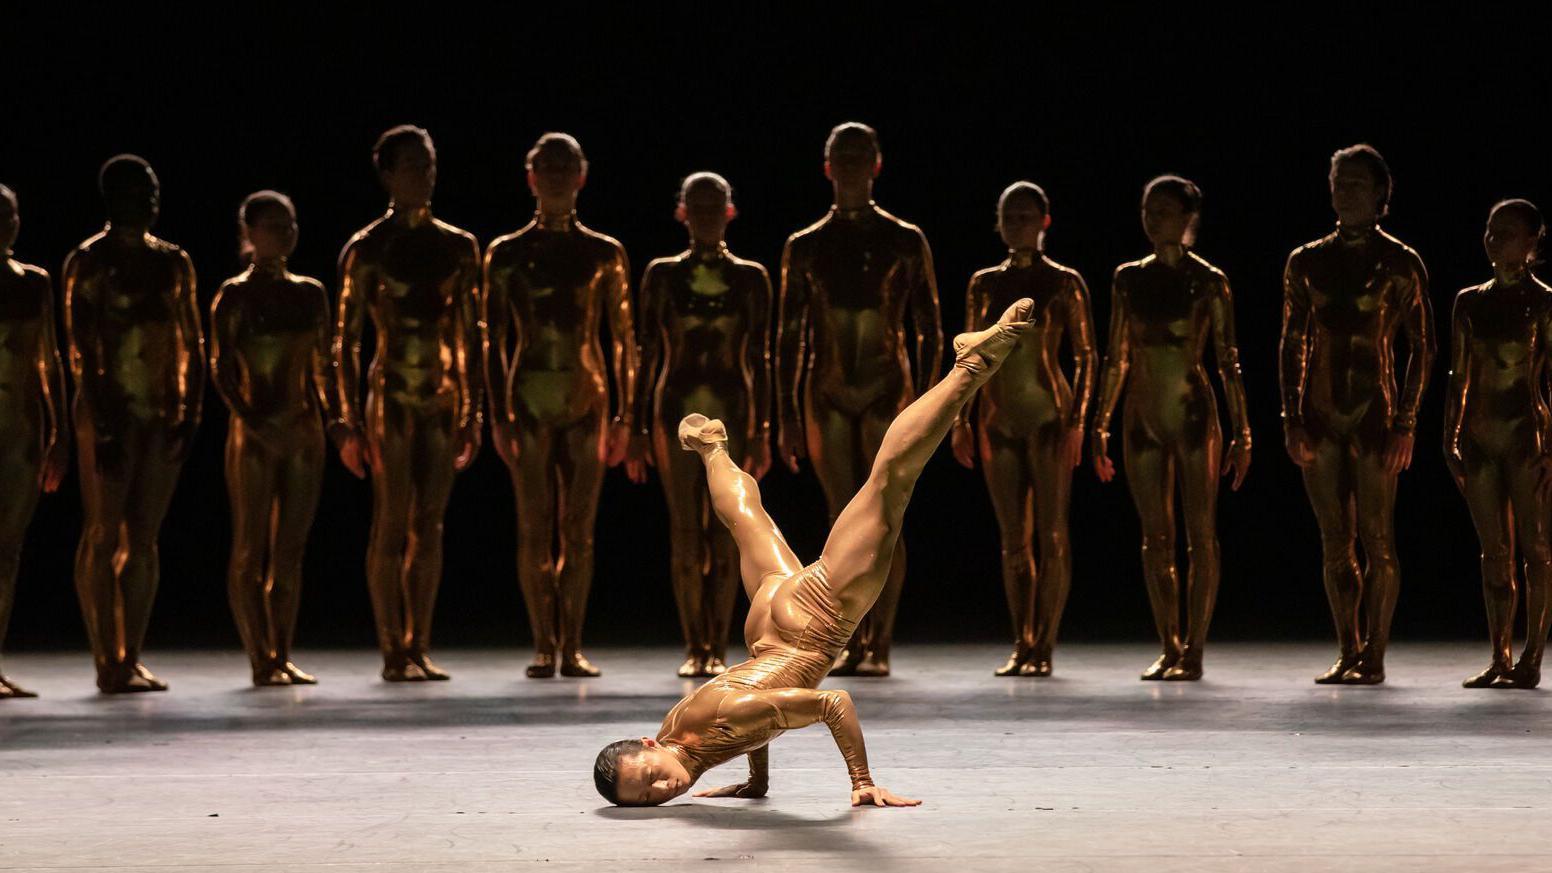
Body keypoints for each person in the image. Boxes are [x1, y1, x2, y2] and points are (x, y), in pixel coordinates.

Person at [592, 298, 1035, 808]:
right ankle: (712, 446)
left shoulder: (711, 728)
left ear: (650, 746)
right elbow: (750, 720)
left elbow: (832, 702)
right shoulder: (677, 730)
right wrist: (757, 781)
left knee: (890, 480)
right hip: (767, 626)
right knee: (744, 518)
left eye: (649, 776)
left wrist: (861, 780)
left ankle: (970, 363)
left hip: (814, 621)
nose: (663, 788)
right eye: (648, 797)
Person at [777, 122, 943, 677]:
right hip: (824, 392)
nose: (849, 166)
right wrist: (785, 416)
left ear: (876, 164)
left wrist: (930, 405)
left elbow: (930, 330)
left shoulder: (904, 239)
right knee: (839, 522)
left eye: (859, 156)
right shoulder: (805, 245)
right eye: (840, 157)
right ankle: (840, 641)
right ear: (827, 167)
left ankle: (882, 641)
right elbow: (787, 338)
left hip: (887, 392)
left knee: (886, 519)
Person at [483, 133, 637, 678]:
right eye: (545, 168)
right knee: (533, 525)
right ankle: (543, 644)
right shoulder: (506, 254)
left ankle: (571, 643)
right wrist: (496, 416)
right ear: (531, 178)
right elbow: (491, 342)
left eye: (564, 168)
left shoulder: (604, 252)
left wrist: (625, 416)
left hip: (586, 398)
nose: (554, 178)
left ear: (581, 176)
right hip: (526, 400)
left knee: (578, 529)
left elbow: (623, 340)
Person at [1280, 144, 1434, 685]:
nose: (1345, 193)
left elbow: (1424, 346)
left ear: (1380, 194)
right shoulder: (1306, 261)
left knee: (1378, 537)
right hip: (1321, 417)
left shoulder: (1400, 261)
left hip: (1376, 415)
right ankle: (1347, 647)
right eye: (1338, 182)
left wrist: (1406, 423)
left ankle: (1374, 654)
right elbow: (1291, 343)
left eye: (1356, 184)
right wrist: (1291, 419)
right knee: (1333, 539)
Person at [334, 125, 483, 681]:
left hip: (443, 396)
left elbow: (472, 338)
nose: (424, 175)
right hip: (390, 396)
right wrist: (345, 421)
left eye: (430, 164)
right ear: (388, 174)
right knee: (391, 520)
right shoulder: (368, 248)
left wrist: (474, 411)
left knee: (431, 523)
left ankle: (419, 642)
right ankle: (392, 647)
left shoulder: (458, 246)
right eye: (413, 165)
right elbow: (345, 341)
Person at [1091, 175, 1252, 681]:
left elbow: (1228, 362)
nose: (1155, 218)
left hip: (1193, 416)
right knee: (1154, 536)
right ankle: (1169, 644)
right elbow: (1114, 357)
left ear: (1189, 220)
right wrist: (1099, 423)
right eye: (1148, 209)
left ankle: (1196, 648)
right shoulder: (1127, 279)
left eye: (1165, 210)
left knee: (1200, 535)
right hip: (1141, 416)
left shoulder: (1209, 281)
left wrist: (1244, 432)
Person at [64, 155, 203, 693]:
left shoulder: (174, 263)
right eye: (134, 190)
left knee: (144, 538)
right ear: (111, 198)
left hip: (159, 411)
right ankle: (106, 657)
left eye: (152, 188)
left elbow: (192, 342)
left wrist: (189, 412)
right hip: (108, 411)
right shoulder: (90, 261)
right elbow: (80, 349)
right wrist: (100, 421)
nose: (147, 199)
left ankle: (130, 652)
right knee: (102, 533)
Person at [952, 182, 1095, 677]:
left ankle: (1047, 643)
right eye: (1009, 216)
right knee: (1013, 537)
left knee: (1052, 532)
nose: (1017, 224)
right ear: (999, 223)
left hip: (1049, 416)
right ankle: (1023, 640)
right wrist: (960, 419)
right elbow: (969, 353)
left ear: (1044, 221)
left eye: (1026, 216)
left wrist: (1079, 422)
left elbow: (1086, 356)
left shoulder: (1064, 282)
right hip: (997, 419)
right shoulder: (984, 284)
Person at [634, 172, 772, 677]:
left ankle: (720, 640)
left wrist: (761, 429)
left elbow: (761, 358)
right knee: (686, 531)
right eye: (698, 206)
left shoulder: (751, 276)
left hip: (733, 410)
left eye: (716, 206)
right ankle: (696, 645)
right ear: (682, 213)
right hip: (673, 409)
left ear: (730, 212)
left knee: (728, 533)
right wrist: (635, 427)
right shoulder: (661, 275)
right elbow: (646, 355)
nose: (708, 215)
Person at [209, 191, 333, 686]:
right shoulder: (234, 295)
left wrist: (337, 419)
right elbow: (219, 367)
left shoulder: (310, 293)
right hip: (255, 434)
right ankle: (259, 656)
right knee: (249, 546)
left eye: (290, 223)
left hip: (304, 432)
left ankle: (281, 651)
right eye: (273, 225)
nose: (284, 233)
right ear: (249, 233)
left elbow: (325, 365)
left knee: (290, 549)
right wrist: (250, 419)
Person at [1443, 199, 1552, 689]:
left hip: (1527, 437)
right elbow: (1458, 376)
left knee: (1536, 547)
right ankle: (1499, 655)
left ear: (1531, 243)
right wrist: (1450, 437)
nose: (1494, 239)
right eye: (1491, 230)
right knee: (1493, 552)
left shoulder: (1544, 302)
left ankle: (1532, 655)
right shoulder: (1469, 301)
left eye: (1507, 232)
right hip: (1480, 438)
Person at [0, 183, 69, 698]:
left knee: (7, 550)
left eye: (10, 214)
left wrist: (58, 437)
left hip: (20, 432)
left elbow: (49, 363)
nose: (7, 224)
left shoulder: (34, 284)